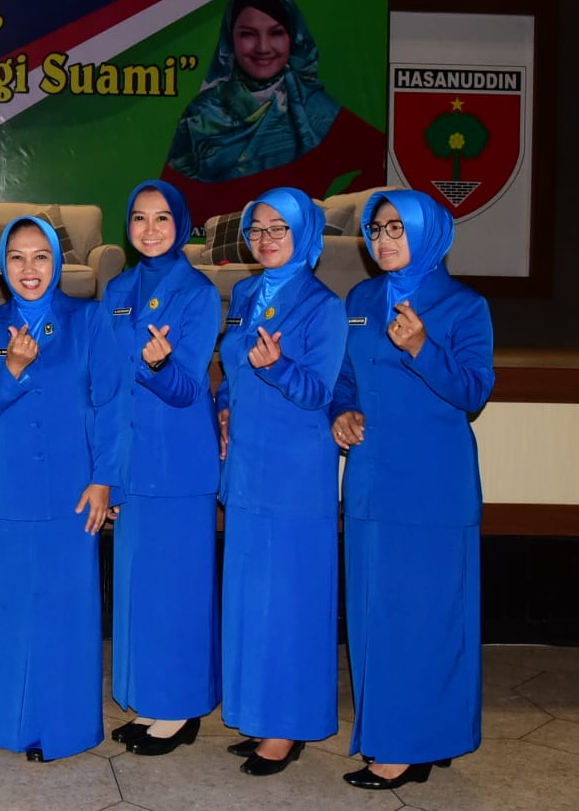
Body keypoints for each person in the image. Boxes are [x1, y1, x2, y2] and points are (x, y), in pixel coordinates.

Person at [332, 189, 493, 791]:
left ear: (430, 232)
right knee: (373, 616)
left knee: (426, 619)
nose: (383, 239)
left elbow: (473, 391)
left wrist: (422, 346)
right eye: (376, 229)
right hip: (371, 482)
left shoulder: (464, 305)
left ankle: (407, 746)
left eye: (397, 228)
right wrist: (341, 412)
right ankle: (418, 734)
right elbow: (344, 377)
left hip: (432, 486)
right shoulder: (361, 299)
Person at [0, 216, 124, 763]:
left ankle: (65, 727)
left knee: (67, 614)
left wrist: (104, 480)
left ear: (57, 263)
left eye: (40, 256)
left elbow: (110, 403)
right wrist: (10, 369)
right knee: (3, 612)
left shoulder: (88, 319)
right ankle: (2, 723)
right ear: (2, 266)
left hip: (72, 492)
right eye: (16, 257)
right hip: (3, 492)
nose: (28, 269)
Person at [215, 187, 346, 776]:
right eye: (257, 228)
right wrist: (223, 405)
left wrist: (279, 368)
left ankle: (288, 726)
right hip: (247, 467)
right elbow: (231, 365)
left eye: (279, 228)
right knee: (251, 601)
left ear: (305, 233)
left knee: (292, 603)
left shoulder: (323, 306)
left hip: (295, 474)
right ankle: (260, 713)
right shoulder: (246, 294)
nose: (265, 239)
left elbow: (319, 392)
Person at [103, 180, 222, 757]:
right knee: (141, 591)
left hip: (178, 466)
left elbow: (188, 389)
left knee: (178, 592)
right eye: (139, 218)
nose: (149, 229)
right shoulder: (118, 288)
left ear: (182, 225)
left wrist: (159, 365)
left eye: (162, 219)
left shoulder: (199, 293)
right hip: (132, 462)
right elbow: (105, 383)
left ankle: (180, 709)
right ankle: (152, 699)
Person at [162, 0, 384, 219]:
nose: (263, 47)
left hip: (294, 243)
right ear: (230, 39)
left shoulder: (316, 111)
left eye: (276, 33)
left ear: (293, 37)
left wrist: (326, 218)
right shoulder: (200, 114)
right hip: (215, 242)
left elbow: (381, 159)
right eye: (248, 34)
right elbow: (170, 204)